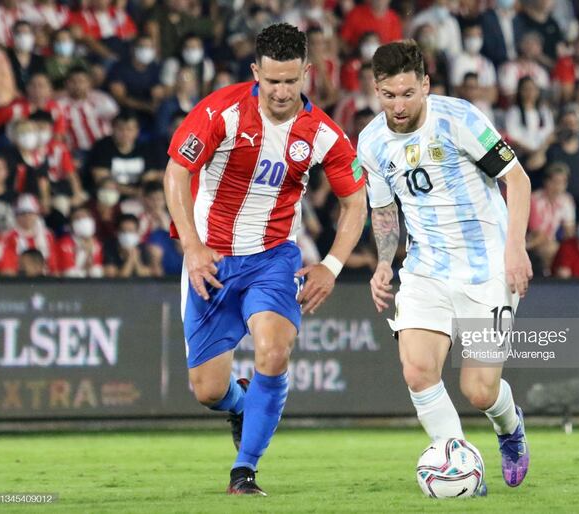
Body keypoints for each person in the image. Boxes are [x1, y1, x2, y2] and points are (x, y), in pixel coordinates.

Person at [163, 23, 366, 495]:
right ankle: (239, 404)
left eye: (290, 81)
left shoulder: (323, 135)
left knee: (273, 352)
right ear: (256, 71)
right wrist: (192, 246)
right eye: (271, 80)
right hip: (212, 260)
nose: (280, 91)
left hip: (273, 259)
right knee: (208, 390)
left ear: (306, 75)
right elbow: (177, 172)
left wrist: (331, 265)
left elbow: (355, 202)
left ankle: (245, 469)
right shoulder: (221, 111)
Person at [359, 41, 531, 490]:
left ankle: (509, 427)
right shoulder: (372, 142)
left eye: (408, 93)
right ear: (376, 90)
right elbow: (383, 211)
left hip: (487, 269)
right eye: (388, 95)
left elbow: (517, 178)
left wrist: (516, 249)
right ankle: (459, 467)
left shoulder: (459, 119)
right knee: (417, 370)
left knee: (480, 391)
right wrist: (382, 263)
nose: (398, 105)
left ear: (426, 85)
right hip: (425, 269)